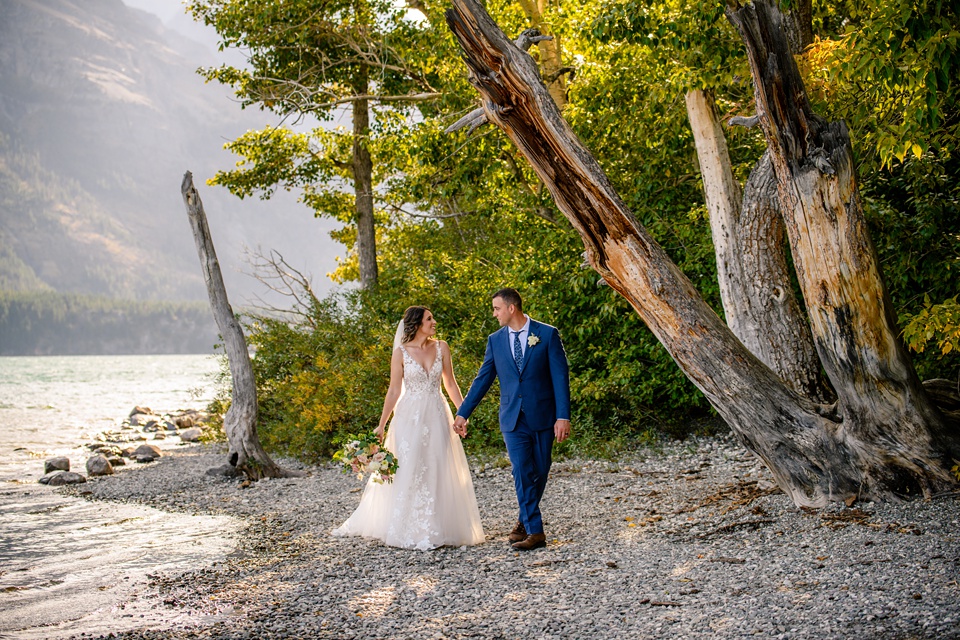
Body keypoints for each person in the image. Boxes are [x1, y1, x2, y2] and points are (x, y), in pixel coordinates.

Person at [332, 306, 485, 550]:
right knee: (410, 467)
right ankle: (406, 525)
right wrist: (381, 425)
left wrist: (462, 414)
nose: (434, 322)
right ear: (416, 324)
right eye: (429, 318)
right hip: (408, 417)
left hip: (437, 414)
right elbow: (394, 390)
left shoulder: (442, 347)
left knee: (437, 464)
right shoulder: (400, 353)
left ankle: (437, 524)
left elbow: (451, 384)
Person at [454, 288, 571, 551]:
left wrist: (563, 416)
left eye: (496, 309)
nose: (494, 314)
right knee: (521, 471)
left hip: (543, 415)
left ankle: (522, 520)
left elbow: (560, 378)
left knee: (540, 471)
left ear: (511, 308)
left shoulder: (547, 334)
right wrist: (463, 412)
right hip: (512, 419)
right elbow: (483, 379)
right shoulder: (495, 340)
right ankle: (535, 531)